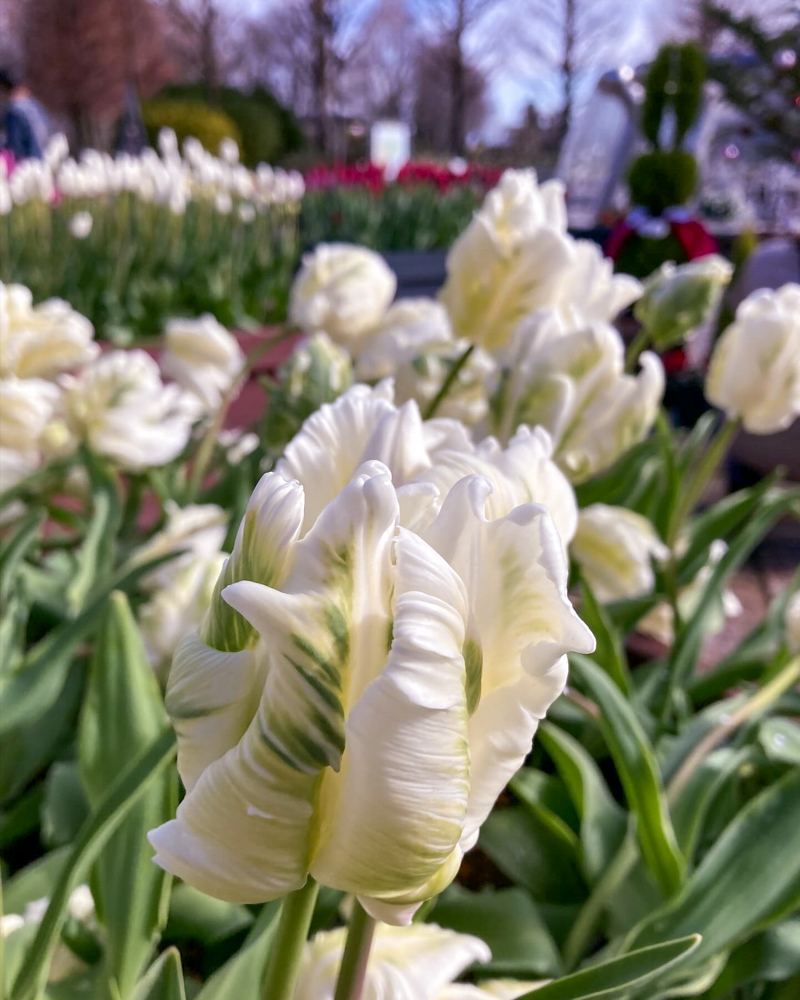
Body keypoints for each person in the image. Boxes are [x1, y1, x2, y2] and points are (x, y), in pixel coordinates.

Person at [0, 69, 48, 160]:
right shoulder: (34, 106)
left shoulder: (15, 111)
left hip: (27, 163)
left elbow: (14, 146)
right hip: (41, 159)